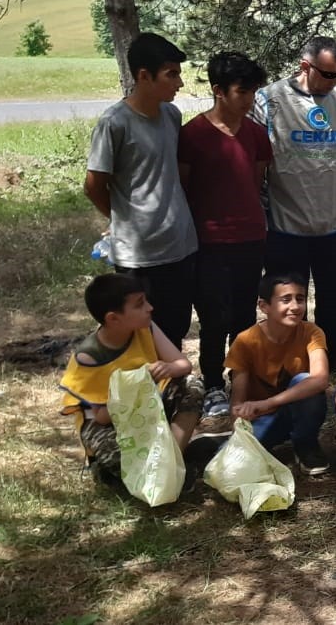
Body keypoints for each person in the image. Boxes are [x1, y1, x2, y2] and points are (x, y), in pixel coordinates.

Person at [251, 36, 336, 371]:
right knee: (287, 298)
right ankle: (289, 357)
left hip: (334, 220)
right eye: (329, 74)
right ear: (305, 66)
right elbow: (257, 158)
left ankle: (334, 356)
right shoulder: (269, 100)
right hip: (286, 223)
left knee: (334, 296)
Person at [83, 32, 198, 349]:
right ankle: (143, 395)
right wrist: (121, 218)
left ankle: (172, 391)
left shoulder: (172, 116)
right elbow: (94, 185)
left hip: (181, 244)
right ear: (144, 76)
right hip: (139, 254)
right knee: (141, 332)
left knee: (175, 325)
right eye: (171, 74)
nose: (179, 83)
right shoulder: (114, 123)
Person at [178, 50, 270, 423]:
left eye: (252, 92)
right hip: (209, 241)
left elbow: (256, 179)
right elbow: (184, 188)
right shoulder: (193, 135)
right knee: (214, 315)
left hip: (251, 237)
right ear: (218, 90)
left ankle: (241, 378)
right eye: (241, 92)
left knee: (245, 315)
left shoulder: (257, 134)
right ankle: (213, 381)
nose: (248, 100)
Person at [57, 274, 200, 489]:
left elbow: (184, 365)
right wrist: (136, 385)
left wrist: (169, 368)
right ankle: (111, 469)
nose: (150, 308)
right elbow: (103, 417)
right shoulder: (89, 357)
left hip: (147, 408)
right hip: (110, 423)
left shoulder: (147, 327)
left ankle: (170, 463)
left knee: (192, 385)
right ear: (113, 318)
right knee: (116, 458)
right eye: (140, 304)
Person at [225, 274, 331, 475]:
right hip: (264, 418)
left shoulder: (312, 332)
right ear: (264, 306)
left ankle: (306, 445)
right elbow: (237, 402)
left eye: (300, 299)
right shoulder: (245, 341)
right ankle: (212, 441)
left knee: (305, 381)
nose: (295, 306)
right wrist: (237, 431)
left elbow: (320, 379)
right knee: (229, 458)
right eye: (286, 299)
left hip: (294, 410)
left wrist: (269, 402)